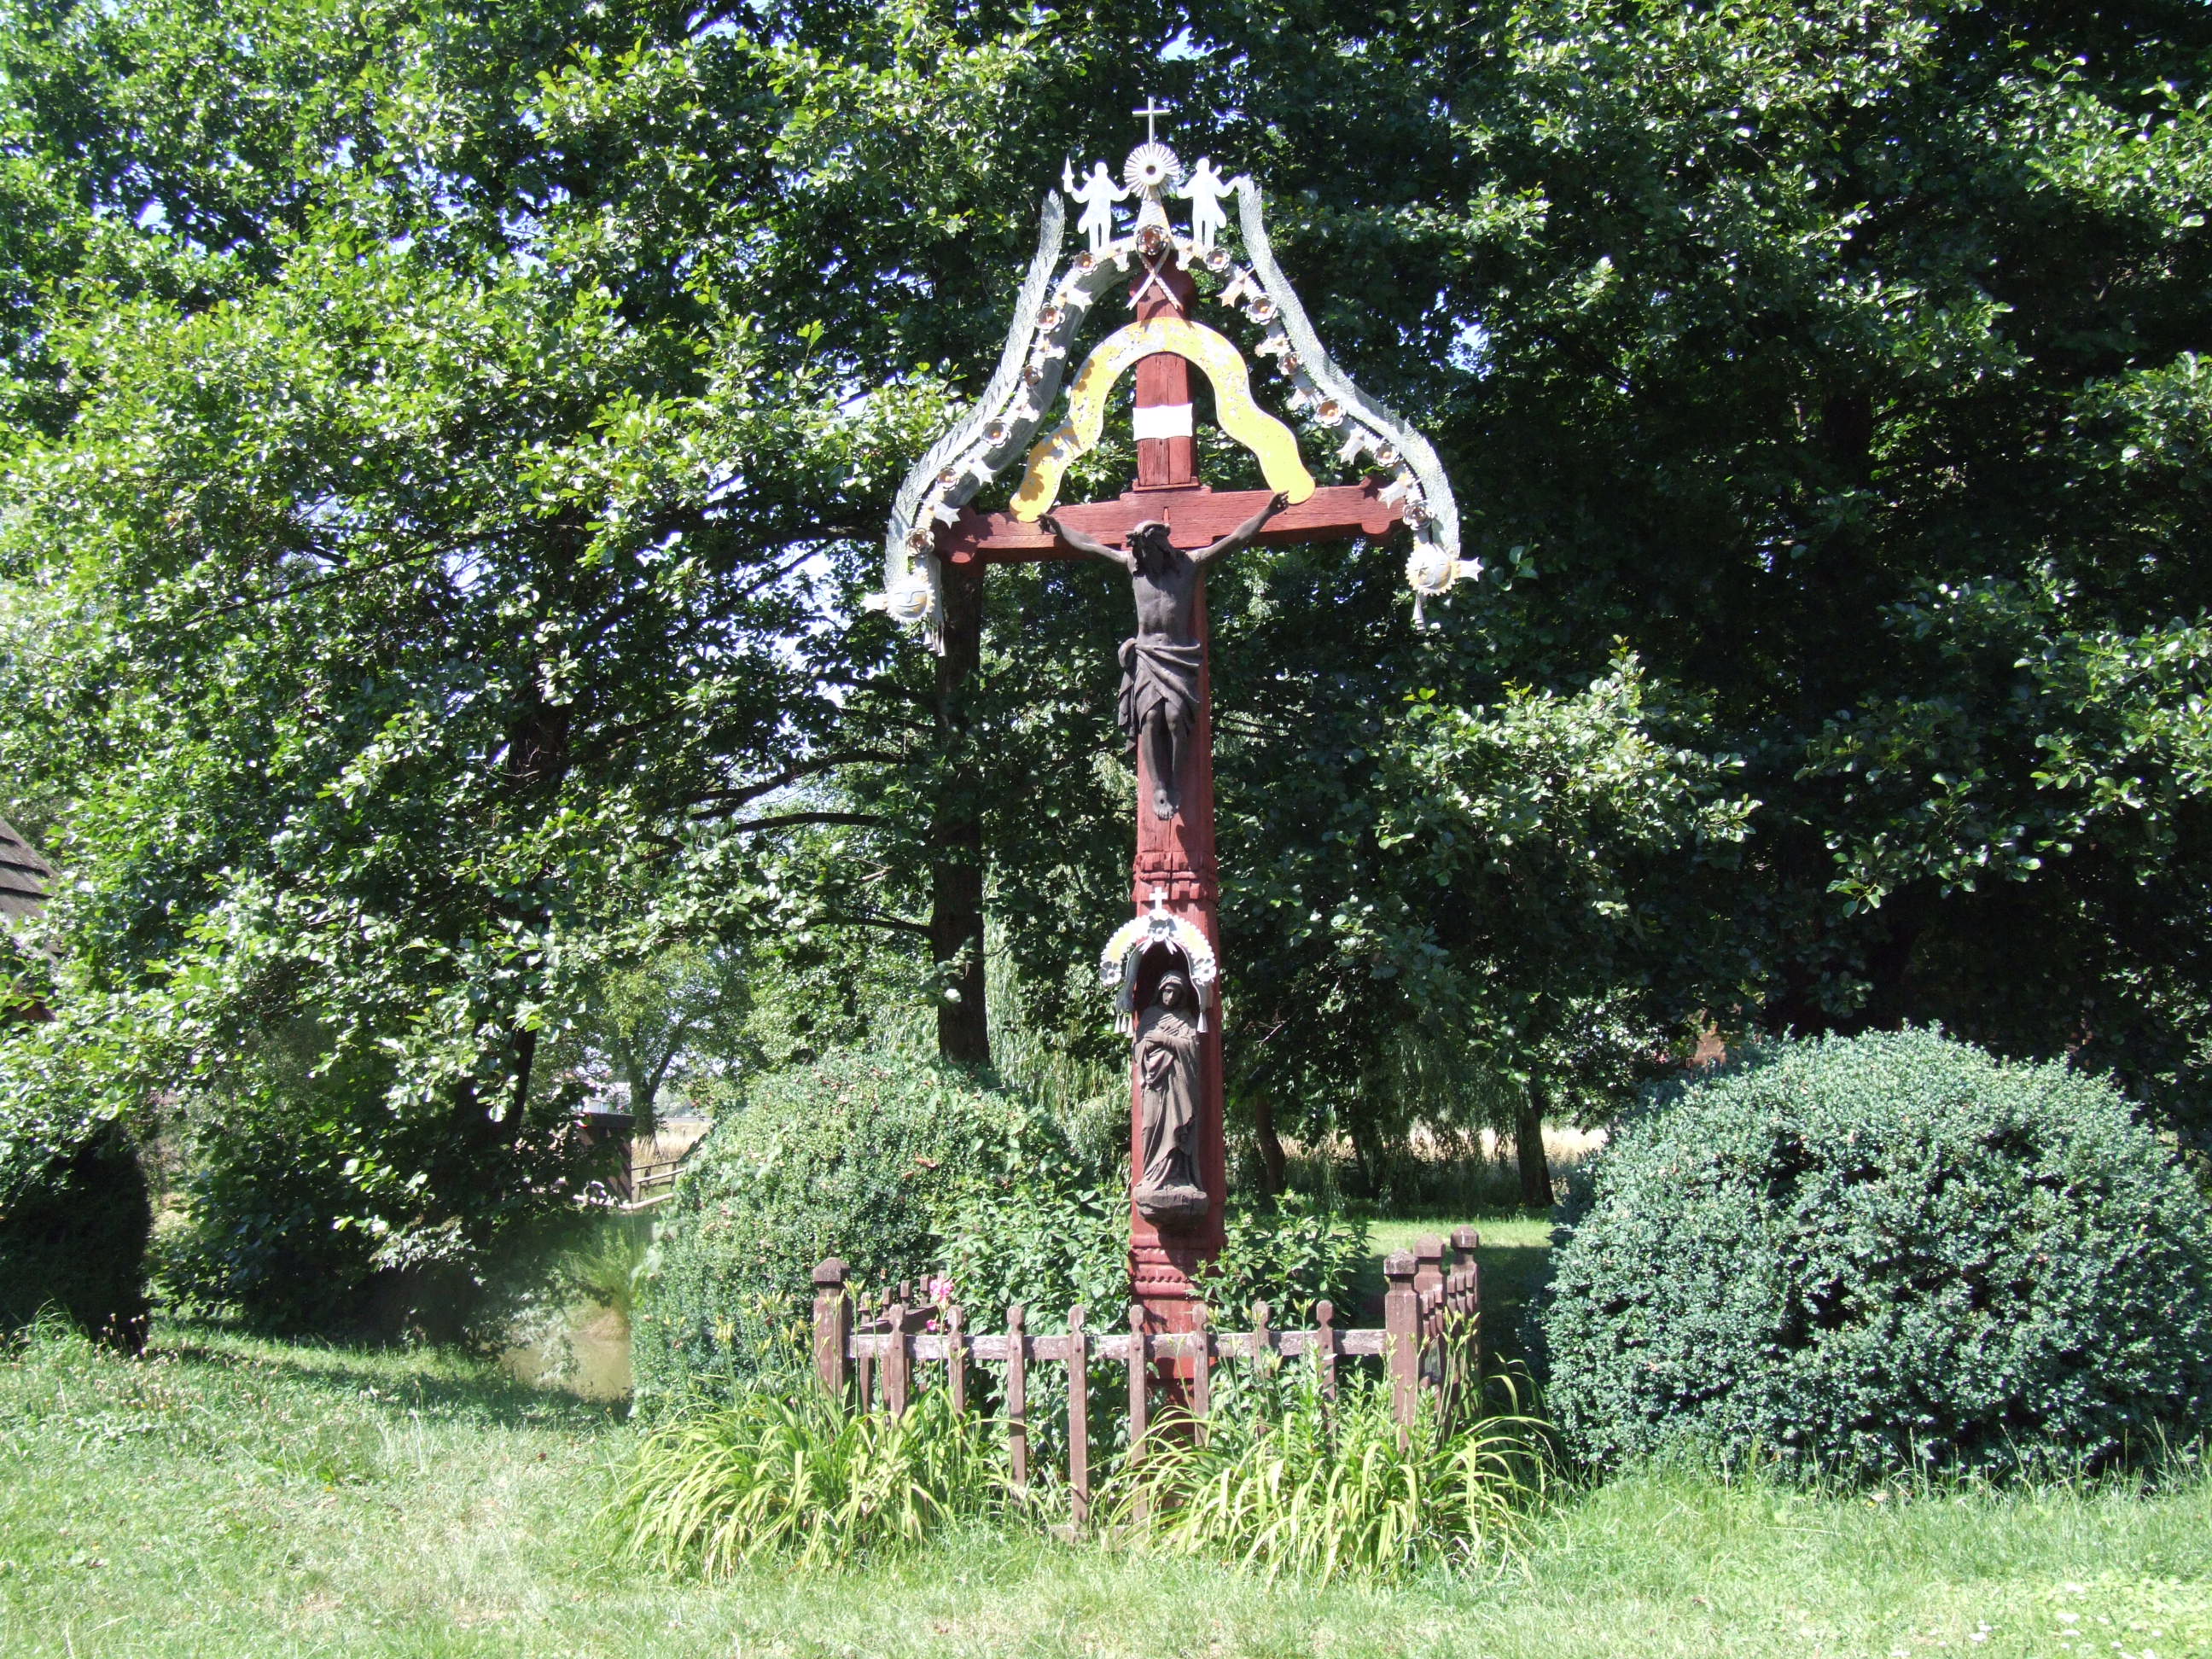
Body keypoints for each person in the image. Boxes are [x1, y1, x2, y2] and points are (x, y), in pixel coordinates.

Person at [1042, 492, 1289, 818]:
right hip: (1146, 654)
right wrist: (1059, 529)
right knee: (1150, 718)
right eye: (1141, 552)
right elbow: (1090, 545)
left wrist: (1267, 512)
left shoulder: (1190, 565)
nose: (1145, 558)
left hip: (1177, 654)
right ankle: (1159, 786)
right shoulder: (1134, 567)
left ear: (1163, 548)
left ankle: (1175, 783)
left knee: (1174, 718)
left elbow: (1236, 538)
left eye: (1150, 552)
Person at [1132, 969, 1206, 1221]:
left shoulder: (1186, 1019)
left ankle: (1177, 1178)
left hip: (1177, 1085)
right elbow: (1138, 1048)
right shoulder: (1150, 1016)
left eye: (1174, 992)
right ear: (1159, 991)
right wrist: (1148, 1044)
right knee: (1150, 1126)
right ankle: (1152, 1176)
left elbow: (1192, 1048)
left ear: (1181, 995)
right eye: (1166, 990)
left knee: (1177, 1128)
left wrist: (1164, 1039)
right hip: (1155, 1085)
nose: (1169, 996)